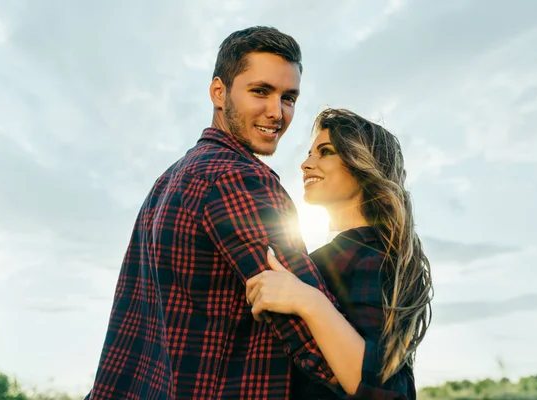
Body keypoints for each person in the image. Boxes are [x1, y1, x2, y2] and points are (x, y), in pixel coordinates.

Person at [84, 26, 344, 399]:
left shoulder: (170, 179)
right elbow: (317, 344)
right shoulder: (238, 180)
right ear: (218, 92)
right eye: (260, 91)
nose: (277, 113)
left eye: (289, 98)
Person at [246, 108, 433, 399]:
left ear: (363, 163)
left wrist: (305, 299)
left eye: (326, 151)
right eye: (310, 153)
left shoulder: (372, 254)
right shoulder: (341, 253)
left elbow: (385, 391)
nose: (306, 164)